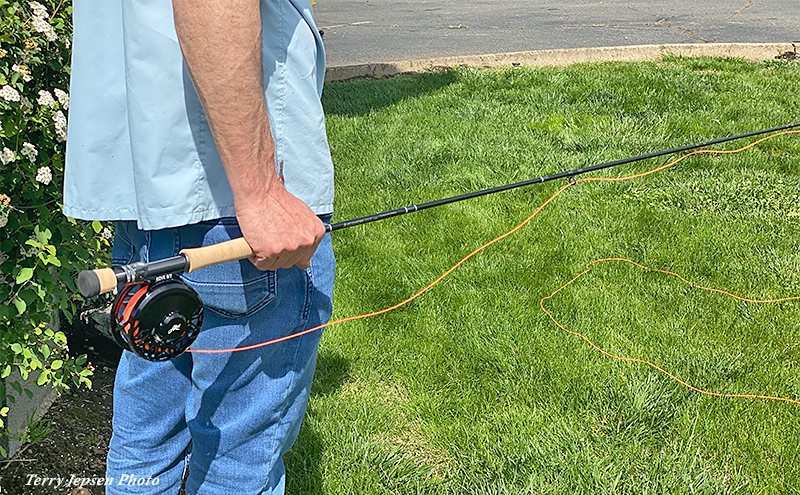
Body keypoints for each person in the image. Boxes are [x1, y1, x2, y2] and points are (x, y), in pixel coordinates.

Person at [63, 1, 335, 493]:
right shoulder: (255, 197)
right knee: (239, 459)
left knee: (146, 442)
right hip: (236, 207)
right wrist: (260, 190)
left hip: (148, 196)